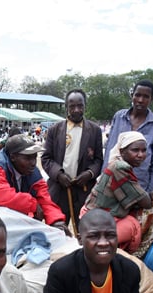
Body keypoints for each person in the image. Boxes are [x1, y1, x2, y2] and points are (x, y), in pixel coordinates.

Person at [82, 131, 153, 256]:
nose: (140, 155)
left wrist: (148, 196)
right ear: (122, 151)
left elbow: (138, 195)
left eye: (144, 150)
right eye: (135, 150)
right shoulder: (120, 168)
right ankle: (141, 254)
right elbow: (146, 202)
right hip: (98, 220)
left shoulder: (117, 164)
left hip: (99, 216)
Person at [0, 134, 70, 234]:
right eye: (28, 158)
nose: (33, 163)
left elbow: (44, 198)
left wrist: (56, 220)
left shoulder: (32, 171)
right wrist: (32, 204)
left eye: (35, 157)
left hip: (5, 221)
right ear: (13, 157)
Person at [41, 89, 103, 231]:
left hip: (84, 189)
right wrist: (59, 175)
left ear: (85, 106)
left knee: (85, 231)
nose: (76, 110)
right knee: (57, 231)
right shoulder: (54, 130)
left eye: (80, 106)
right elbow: (46, 158)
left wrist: (89, 174)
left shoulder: (94, 130)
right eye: (72, 106)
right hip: (59, 188)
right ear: (66, 107)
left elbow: (99, 160)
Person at [102, 79, 153, 192]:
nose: (141, 100)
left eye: (146, 96)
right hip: (112, 183)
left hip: (138, 186)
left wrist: (149, 191)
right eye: (137, 95)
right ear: (132, 96)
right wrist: (103, 178)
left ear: (152, 99)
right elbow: (109, 149)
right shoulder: (119, 117)